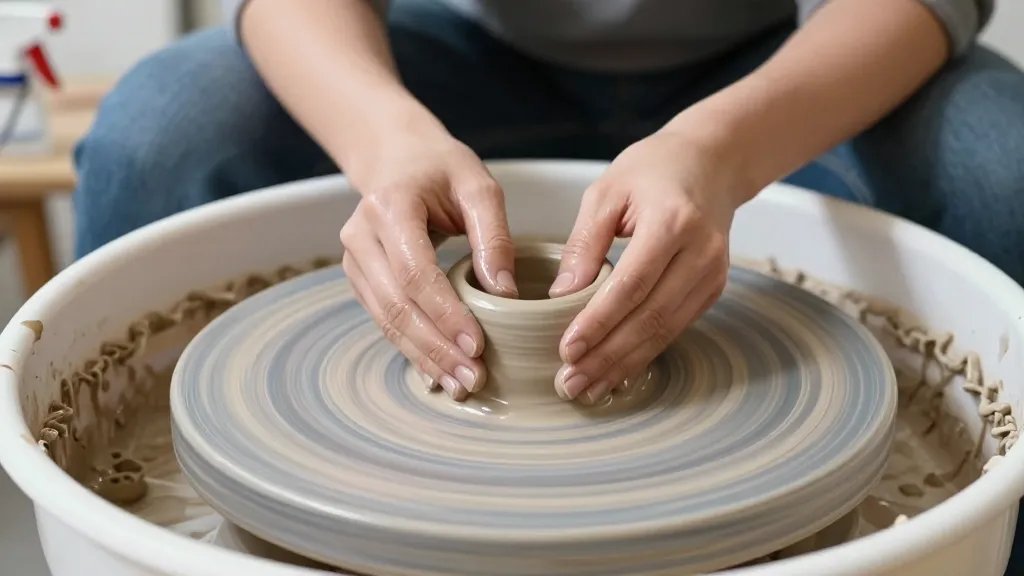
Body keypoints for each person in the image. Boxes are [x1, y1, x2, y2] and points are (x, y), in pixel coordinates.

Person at [73, 0, 1024, 569]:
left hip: (780, 49)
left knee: (1005, 168)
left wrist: (720, 152)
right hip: (461, 47)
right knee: (157, 136)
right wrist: (386, 141)